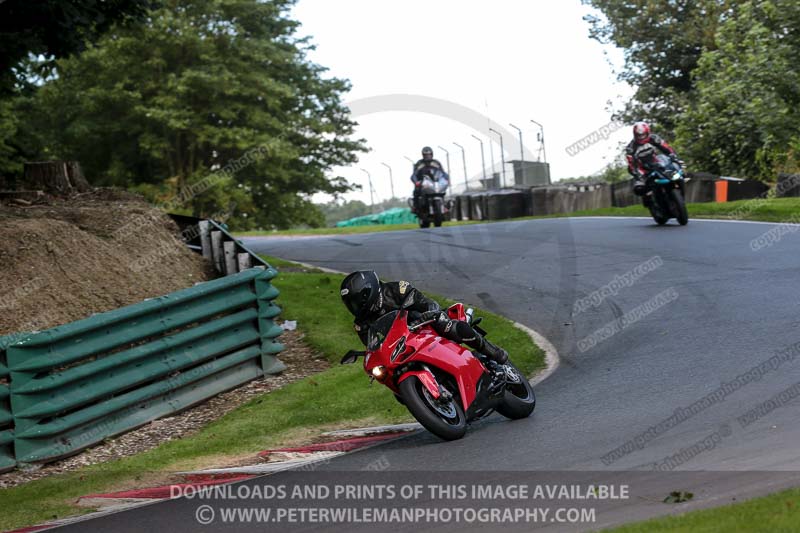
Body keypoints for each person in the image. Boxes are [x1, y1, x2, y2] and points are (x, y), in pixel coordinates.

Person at [340, 270, 508, 364]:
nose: (354, 307)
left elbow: (425, 302)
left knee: (447, 326)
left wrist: (431, 313)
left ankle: (492, 351)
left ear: (367, 293)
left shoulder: (395, 290)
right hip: (402, 344)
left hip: (424, 323)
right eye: (350, 304)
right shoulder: (361, 323)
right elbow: (373, 346)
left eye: (356, 302)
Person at [625, 122, 683, 198]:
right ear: (635, 135)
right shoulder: (631, 147)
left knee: (676, 168)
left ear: (647, 132)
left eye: (643, 135)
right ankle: (648, 196)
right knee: (639, 188)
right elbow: (631, 163)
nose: (641, 137)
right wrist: (637, 173)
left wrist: (672, 155)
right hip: (642, 166)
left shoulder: (653, 138)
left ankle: (680, 182)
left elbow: (665, 147)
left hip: (656, 161)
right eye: (639, 135)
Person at [410, 146, 449, 214]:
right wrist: (416, 182)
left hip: (435, 183)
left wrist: (446, 178)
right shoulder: (419, 163)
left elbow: (443, 173)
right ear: (423, 155)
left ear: (432, 154)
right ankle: (416, 207)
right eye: (425, 155)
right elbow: (414, 175)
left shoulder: (436, 163)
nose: (427, 156)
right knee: (416, 191)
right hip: (423, 183)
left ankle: (444, 205)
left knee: (442, 191)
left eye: (429, 154)